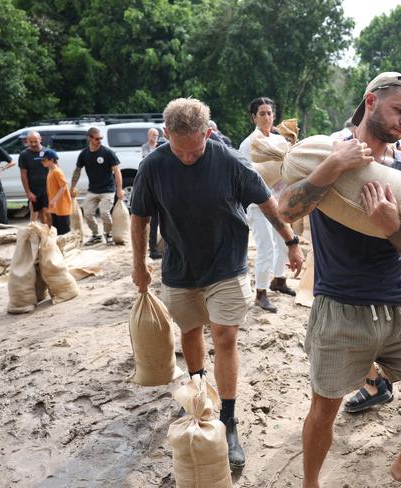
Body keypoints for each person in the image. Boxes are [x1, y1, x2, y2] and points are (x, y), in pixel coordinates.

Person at [278, 72, 401, 488]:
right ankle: (311, 483)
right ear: (371, 102)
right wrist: (333, 166)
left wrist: (392, 226)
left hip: (400, 309)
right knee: (324, 411)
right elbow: (286, 210)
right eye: (398, 110)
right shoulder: (325, 150)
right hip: (341, 309)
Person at [130, 98, 304, 471]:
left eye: (196, 149)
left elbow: (267, 202)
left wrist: (291, 242)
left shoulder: (230, 161)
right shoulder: (154, 166)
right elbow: (140, 216)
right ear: (166, 136)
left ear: (208, 134)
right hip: (180, 270)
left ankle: (228, 419)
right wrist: (139, 264)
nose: (189, 157)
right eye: (180, 150)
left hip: (227, 267)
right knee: (191, 332)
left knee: (224, 336)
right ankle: (196, 393)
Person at [239, 97, 296, 313]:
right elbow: (246, 176)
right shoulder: (248, 144)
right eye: (262, 113)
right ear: (254, 117)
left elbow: (286, 169)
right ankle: (260, 293)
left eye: (270, 113)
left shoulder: (280, 141)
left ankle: (279, 280)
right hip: (257, 203)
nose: (267, 117)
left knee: (283, 242)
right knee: (266, 248)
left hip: (280, 199)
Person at [71, 127, 124, 246]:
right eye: (97, 138)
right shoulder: (84, 154)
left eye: (101, 138)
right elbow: (77, 171)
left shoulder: (107, 152)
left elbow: (117, 171)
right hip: (93, 190)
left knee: (105, 213)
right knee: (88, 213)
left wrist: (119, 189)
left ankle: (108, 234)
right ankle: (96, 235)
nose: (99, 140)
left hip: (108, 189)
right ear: (89, 138)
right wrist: (72, 187)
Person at [19, 131, 51, 225]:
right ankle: (34, 236)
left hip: (48, 189)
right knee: (33, 217)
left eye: (35, 141)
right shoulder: (24, 155)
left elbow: (56, 170)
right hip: (34, 190)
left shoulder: (48, 152)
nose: (33, 144)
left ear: (40, 140)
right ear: (27, 141)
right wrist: (28, 192)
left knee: (45, 215)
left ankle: (47, 235)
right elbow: (23, 175)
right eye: (30, 142)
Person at [38, 149, 72, 235]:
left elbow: (64, 186)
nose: (42, 162)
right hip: (55, 207)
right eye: (41, 160)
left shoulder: (57, 171)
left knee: (64, 232)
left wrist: (54, 200)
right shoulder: (51, 170)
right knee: (57, 230)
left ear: (52, 160)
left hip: (62, 207)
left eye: (44, 160)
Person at [141, 128, 162, 259]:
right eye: (154, 134)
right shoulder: (145, 147)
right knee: (153, 221)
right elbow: (146, 161)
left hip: (161, 186)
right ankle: (152, 248)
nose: (155, 136)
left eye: (157, 135)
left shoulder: (161, 146)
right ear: (149, 135)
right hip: (152, 188)